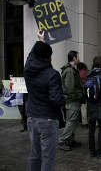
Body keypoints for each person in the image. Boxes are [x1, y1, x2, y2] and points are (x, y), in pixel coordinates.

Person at [24, 30, 66, 171]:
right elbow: (56, 100)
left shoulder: (28, 70)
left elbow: (31, 55)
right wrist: (64, 99)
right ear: (48, 58)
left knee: (35, 153)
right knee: (48, 156)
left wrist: (40, 41)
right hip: (47, 120)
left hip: (32, 118)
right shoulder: (52, 75)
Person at [58, 50, 84, 151]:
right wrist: (76, 97)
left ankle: (69, 140)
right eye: (78, 56)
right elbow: (70, 88)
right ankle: (63, 140)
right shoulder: (69, 71)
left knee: (70, 119)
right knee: (72, 120)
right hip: (72, 100)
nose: (79, 58)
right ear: (74, 58)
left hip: (70, 99)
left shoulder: (70, 70)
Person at [77, 62, 90, 129]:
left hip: (82, 92)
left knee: (83, 107)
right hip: (90, 91)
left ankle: (84, 122)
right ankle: (94, 122)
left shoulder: (78, 73)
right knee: (90, 106)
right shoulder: (89, 72)